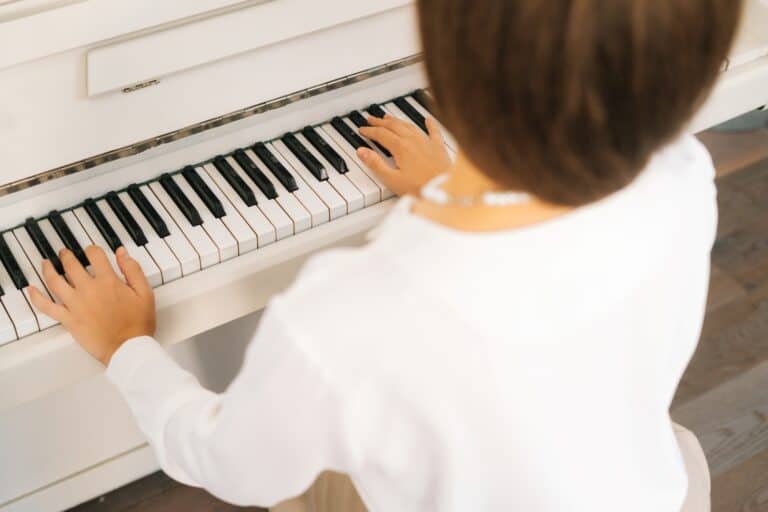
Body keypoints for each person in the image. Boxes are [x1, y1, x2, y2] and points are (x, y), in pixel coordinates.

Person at [28, 1, 742, 510]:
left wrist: (127, 346)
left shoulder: (352, 314)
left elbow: (230, 467)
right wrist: (446, 185)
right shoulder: (681, 181)